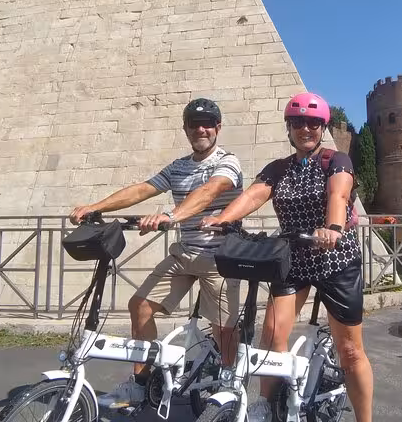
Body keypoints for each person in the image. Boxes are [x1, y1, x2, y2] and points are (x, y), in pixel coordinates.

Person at [201, 93, 374, 422]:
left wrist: (333, 228)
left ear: (322, 127)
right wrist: (222, 219)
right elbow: (254, 194)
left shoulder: (335, 161)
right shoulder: (279, 169)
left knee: (350, 351)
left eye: (312, 123)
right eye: (297, 123)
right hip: (293, 260)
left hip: (336, 259)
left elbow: (338, 193)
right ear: (289, 128)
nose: (305, 128)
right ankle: (266, 402)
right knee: (272, 335)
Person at [69, 98, 243, 410]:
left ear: (218, 128)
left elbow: (210, 192)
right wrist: (95, 207)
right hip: (185, 253)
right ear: (186, 129)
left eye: (207, 123)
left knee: (224, 329)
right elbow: (143, 189)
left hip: (220, 258)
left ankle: (231, 383)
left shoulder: (227, 162)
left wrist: (171, 215)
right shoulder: (178, 166)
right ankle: (140, 384)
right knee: (139, 306)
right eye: (194, 123)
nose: (200, 129)